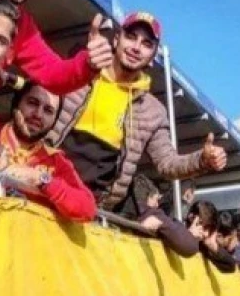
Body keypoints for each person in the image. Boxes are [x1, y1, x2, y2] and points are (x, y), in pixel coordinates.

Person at [47, 12, 227, 212]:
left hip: (93, 209)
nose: (136, 47)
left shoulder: (153, 111)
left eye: (146, 44)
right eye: (131, 37)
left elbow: (167, 163)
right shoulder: (78, 72)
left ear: (152, 58)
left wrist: (202, 160)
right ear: (116, 40)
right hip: (44, 187)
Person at [0, 82, 95, 221]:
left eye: (48, 110)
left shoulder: (56, 161)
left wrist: (40, 179)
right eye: (32, 103)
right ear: (16, 103)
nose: (38, 114)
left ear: (54, 121)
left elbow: (87, 208)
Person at [121, 175, 198, 257]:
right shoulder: (152, 215)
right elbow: (189, 246)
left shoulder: (121, 217)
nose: (158, 205)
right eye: (156, 199)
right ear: (148, 198)